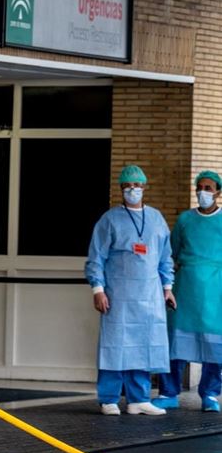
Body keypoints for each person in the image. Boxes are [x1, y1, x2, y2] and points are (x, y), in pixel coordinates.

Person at [84, 164, 174, 416]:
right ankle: (109, 398)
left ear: (145, 187)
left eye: (136, 185)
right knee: (116, 345)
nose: (132, 189)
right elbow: (96, 258)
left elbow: (165, 256)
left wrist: (168, 287)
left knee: (144, 345)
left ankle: (139, 398)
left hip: (150, 295)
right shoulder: (110, 220)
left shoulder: (156, 219)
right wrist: (98, 290)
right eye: (127, 186)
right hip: (118, 295)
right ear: (121, 189)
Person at [153, 170, 222, 413]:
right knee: (176, 342)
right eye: (200, 187)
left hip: (216, 290)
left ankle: (210, 394)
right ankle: (168, 392)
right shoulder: (185, 220)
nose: (203, 192)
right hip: (186, 286)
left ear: (218, 192)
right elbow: (171, 252)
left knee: (216, 346)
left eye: (208, 188)